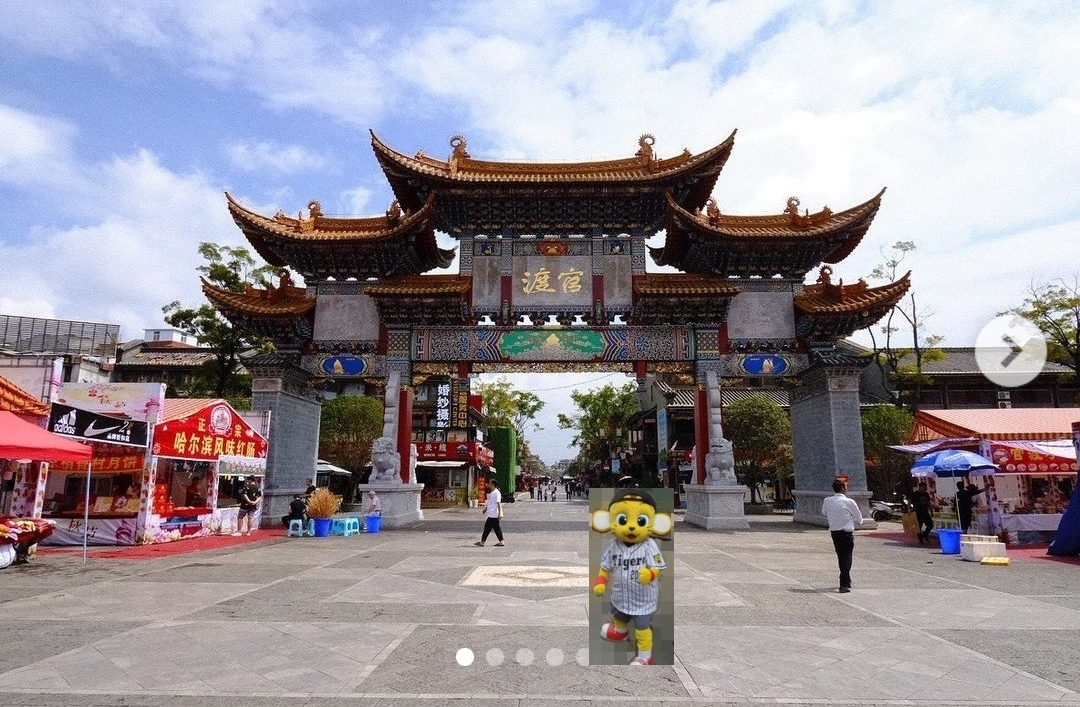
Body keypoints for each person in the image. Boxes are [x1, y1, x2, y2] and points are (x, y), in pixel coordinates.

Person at [821, 478, 863, 593]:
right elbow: (858, 517)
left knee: (841, 556)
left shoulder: (827, 500)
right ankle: (843, 583)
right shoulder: (849, 502)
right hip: (846, 533)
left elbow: (824, 512)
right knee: (847, 557)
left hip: (835, 532)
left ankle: (846, 580)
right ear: (843, 488)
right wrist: (857, 520)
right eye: (846, 486)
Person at [474, 477, 504, 547]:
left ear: (493, 485)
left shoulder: (497, 493)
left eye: (490, 484)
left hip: (494, 514)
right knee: (496, 528)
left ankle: (482, 542)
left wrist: (499, 513)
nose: (488, 485)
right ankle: (501, 541)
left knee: (487, 528)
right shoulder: (492, 492)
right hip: (491, 513)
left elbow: (498, 503)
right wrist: (485, 509)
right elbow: (490, 502)